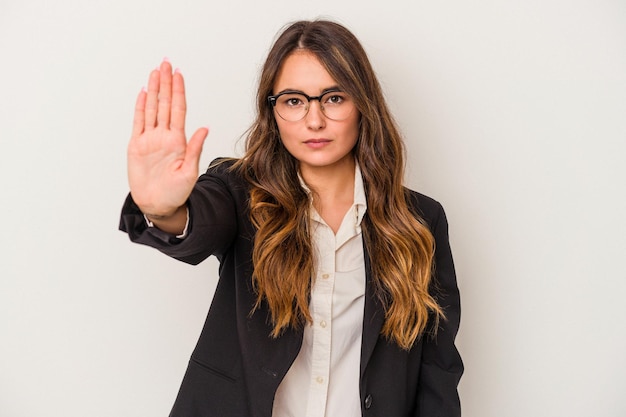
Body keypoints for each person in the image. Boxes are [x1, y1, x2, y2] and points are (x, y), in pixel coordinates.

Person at [120, 19, 463, 417]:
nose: (314, 120)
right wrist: (164, 210)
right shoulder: (238, 192)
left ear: (362, 105)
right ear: (273, 110)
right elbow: (199, 223)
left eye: (334, 98)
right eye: (294, 100)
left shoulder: (420, 220)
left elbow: (437, 371)